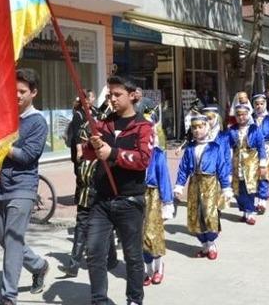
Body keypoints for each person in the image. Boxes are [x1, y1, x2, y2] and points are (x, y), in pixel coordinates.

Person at [82, 76, 153, 305]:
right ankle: (99, 300)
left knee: (132, 256)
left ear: (132, 95)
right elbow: (88, 153)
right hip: (101, 199)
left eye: (117, 94)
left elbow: (143, 160)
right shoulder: (104, 124)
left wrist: (112, 153)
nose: (112, 99)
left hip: (130, 200)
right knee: (94, 251)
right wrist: (91, 145)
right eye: (110, 94)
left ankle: (134, 299)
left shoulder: (143, 126)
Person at [0, 69, 50, 305]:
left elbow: (27, 156)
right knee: (5, 239)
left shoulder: (37, 122)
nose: (16, 95)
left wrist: (2, 145)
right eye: (13, 90)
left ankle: (9, 295)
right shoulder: (4, 116)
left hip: (23, 186)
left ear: (33, 93)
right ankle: (39, 265)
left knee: (14, 240)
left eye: (22, 91)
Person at [58, 90, 118, 279]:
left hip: (100, 195)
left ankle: (111, 258)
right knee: (81, 226)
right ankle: (74, 264)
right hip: (85, 194)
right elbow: (78, 150)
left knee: (104, 227)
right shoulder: (82, 125)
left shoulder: (102, 148)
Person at [174, 113, 233, 260]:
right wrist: (179, 185)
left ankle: (211, 243)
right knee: (196, 214)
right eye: (194, 128)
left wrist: (226, 187)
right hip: (194, 184)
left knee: (209, 213)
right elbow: (183, 168)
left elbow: (222, 167)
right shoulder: (190, 148)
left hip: (210, 183)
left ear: (207, 127)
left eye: (200, 127)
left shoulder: (214, 147)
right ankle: (203, 244)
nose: (197, 130)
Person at [225, 102, 268, 225]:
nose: (241, 117)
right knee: (237, 188)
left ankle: (250, 213)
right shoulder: (231, 130)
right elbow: (226, 146)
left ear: (248, 115)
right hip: (236, 161)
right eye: (238, 115)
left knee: (250, 188)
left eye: (244, 115)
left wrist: (263, 164)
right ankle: (244, 210)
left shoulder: (255, 129)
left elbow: (261, 147)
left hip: (251, 162)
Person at [142, 125, 173, 286]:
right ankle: (146, 269)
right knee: (140, 236)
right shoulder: (134, 153)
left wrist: (167, 203)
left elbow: (164, 179)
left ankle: (158, 268)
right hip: (138, 196)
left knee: (153, 235)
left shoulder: (157, 155)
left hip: (153, 197)